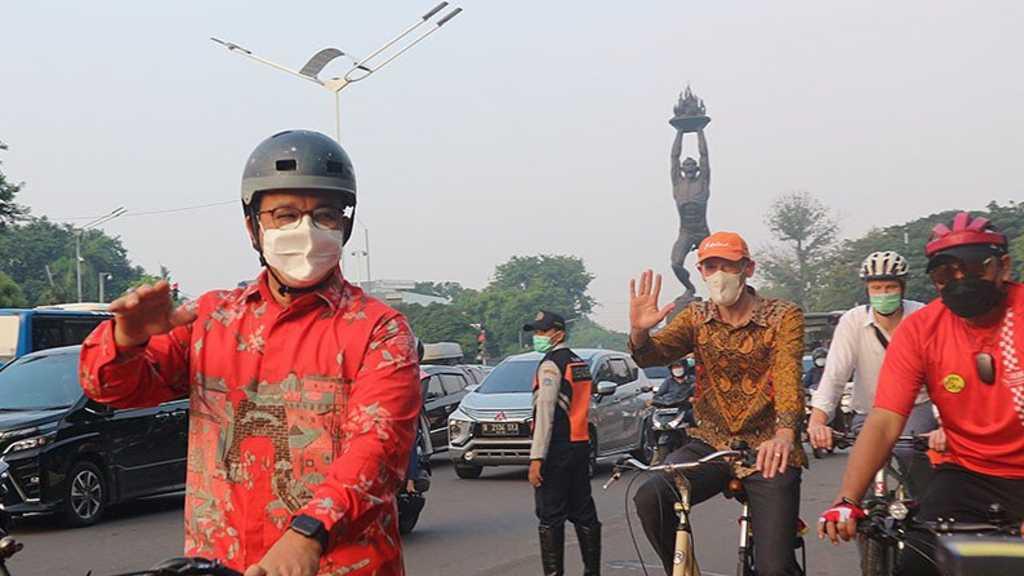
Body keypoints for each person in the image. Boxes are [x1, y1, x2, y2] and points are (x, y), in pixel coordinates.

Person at [78, 130, 420, 576]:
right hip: (222, 563)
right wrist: (126, 342)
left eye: (325, 215)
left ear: (345, 225)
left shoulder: (379, 330)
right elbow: (112, 390)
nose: (307, 230)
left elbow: (378, 449)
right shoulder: (208, 320)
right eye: (285, 215)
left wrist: (309, 534)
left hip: (339, 563)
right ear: (252, 226)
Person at [819, 213, 1024, 575]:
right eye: (946, 273)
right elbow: (883, 420)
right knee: (916, 563)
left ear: (1003, 267)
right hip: (966, 473)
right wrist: (847, 499)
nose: (961, 280)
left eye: (976, 266)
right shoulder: (922, 329)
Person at [628, 231, 806, 576]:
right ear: (702, 273)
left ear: (748, 268)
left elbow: (787, 375)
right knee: (650, 497)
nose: (719, 274)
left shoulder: (784, 316)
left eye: (728, 265)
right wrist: (639, 332)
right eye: (711, 267)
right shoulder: (696, 317)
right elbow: (653, 354)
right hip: (709, 445)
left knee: (775, 567)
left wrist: (785, 433)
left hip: (768, 448)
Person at [808, 250, 941, 500]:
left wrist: (943, 425)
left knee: (911, 456)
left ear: (902, 288)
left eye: (890, 287)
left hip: (916, 409)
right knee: (860, 481)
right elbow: (834, 376)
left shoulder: (924, 317)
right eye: (876, 287)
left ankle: (926, 514)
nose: (883, 293)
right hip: (868, 411)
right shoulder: (852, 321)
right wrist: (817, 422)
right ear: (867, 290)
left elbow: (941, 376)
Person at [526, 310, 601, 576]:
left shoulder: (550, 364)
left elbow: (545, 413)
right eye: (536, 332)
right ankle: (592, 572)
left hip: (556, 448)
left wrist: (537, 459)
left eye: (542, 332)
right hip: (580, 445)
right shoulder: (578, 363)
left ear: (558, 333)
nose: (537, 337)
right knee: (584, 512)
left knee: (550, 515)